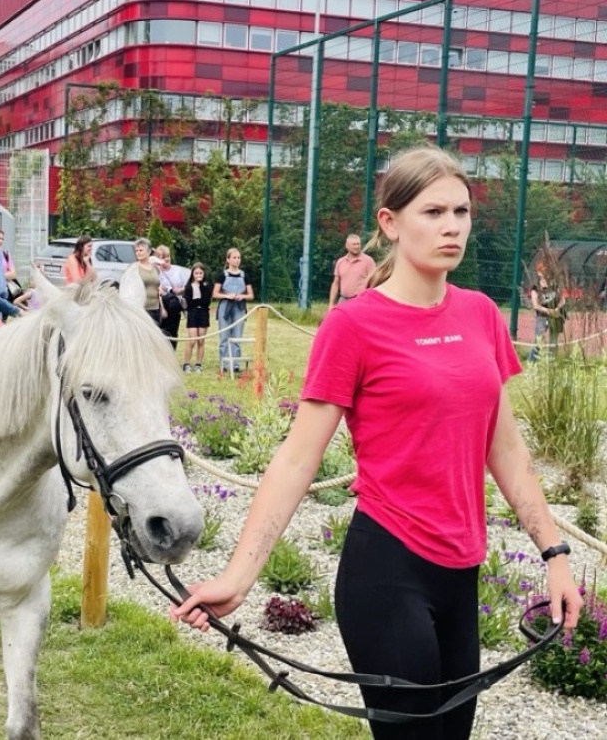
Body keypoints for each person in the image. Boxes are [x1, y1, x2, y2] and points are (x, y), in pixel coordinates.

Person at [172, 147, 583, 740]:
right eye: (433, 211)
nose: (451, 226)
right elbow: (296, 459)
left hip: (461, 571)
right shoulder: (353, 325)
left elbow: (508, 453)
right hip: (387, 570)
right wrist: (238, 577)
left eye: (461, 211)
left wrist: (555, 556)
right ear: (390, 223)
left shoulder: (481, 316)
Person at [213, 248, 253, 373]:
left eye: (239, 258)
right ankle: (224, 363)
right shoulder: (222, 275)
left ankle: (235, 364)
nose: (237, 260)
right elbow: (215, 293)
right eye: (234, 258)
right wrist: (226, 296)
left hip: (239, 307)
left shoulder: (244, 275)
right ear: (228, 259)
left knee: (237, 336)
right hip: (225, 306)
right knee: (224, 336)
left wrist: (243, 296)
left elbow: (251, 295)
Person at [328, 233, 377, 309]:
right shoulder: (340, 262)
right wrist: (331, 304)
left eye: (358, 244)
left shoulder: (368, 261)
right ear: (347, 246)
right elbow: (335, 284)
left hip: (360, 301)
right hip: (343, 300)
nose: (357, 247)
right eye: (354, 244)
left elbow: (375, 281)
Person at [155, 244, 189, 348]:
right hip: (162, 306)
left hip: (175, 305)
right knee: (161, 332)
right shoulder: (156, 272)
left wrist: (180, 290)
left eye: (167, 256)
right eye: (162, 257)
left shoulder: (178, 271)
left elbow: (187, 287)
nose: (165, 259)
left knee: (173, 332)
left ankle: (172, 354)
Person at [528, 271, 564, 362]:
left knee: (553, 341)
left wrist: (557, 308)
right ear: (539, 274)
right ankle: (532, 362)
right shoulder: (535, 288)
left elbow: (563, 300)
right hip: (542, 317)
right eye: (543, 271)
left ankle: (552, 363)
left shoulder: (554, 285)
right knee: (539, 340)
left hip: (555, 315)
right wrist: (549, 311)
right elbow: (536, 305)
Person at [181, 263, 210, 372]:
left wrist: (200, 288)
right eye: (196, 273)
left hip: (203, 313)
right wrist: (196, 301)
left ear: (204, 274)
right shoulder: (188, 287)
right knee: (192, 340)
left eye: (201, 273)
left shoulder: (206, 286)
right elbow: (188, 303)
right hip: (192, 313)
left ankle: (198, 364)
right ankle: (186, 363)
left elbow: (206, 302)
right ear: (192, 274)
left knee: (201, 340)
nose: (198, 275)